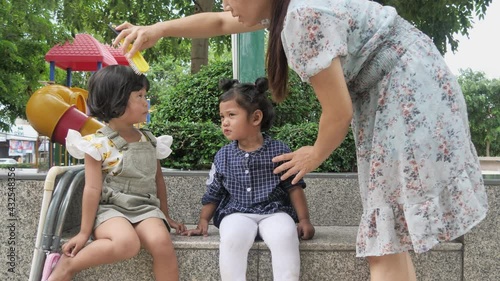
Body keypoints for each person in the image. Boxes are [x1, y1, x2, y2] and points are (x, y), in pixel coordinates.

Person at [114, 1, 489, 280]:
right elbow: (219, 21)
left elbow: (337, 112)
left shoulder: (301, 16)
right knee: (389, 232)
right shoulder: (282, 7)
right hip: (402, 84)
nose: (226, 3)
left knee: (385, 237)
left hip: (404, 92)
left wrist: (313, 155)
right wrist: (159, 28)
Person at [47, 65, 186, 281]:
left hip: (145, 207)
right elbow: (92, 189)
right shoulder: (98, 144)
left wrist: (165, 215)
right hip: (110, 210)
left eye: (145, 95)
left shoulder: (150, 140)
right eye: (139, 96)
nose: (145, 101)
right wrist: (84, 232)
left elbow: (158, 180)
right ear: (117, 100)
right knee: (126, 243)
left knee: (161, 241)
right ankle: (68, 265)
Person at [182, 77, 315, 281]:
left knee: (286, 235)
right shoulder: (223, 156)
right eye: (222, 117)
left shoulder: (279, 150)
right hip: (237, 213)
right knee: (232, 239)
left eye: (231, 115)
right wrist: (203, 221)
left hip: (274, 212)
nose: (224, 122)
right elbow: (214, 191)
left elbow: (293, 187)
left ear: (255, 118)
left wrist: (304, 220)